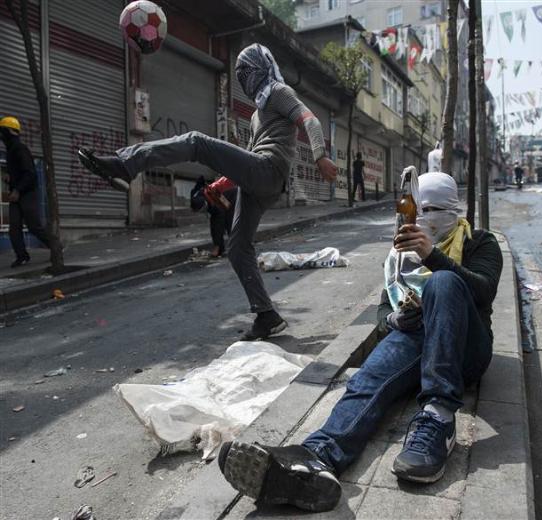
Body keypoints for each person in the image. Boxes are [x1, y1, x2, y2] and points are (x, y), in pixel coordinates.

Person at [218, 171, 503, 512]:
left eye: (431, 210)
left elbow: (484, 290)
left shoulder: (480, 242)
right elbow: (385, 310)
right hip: (418, 338)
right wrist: (395, 319)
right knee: (367, 380)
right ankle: (314, 461)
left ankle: (438, 419)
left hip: (465, 351)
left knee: (442, 282)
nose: (420, 219)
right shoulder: (400, 253)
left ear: (451, 209)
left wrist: (433, 258)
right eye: (414, 211)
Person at [77, 43, 337, 340]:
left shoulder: (280, 91)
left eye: (248, 71)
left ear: (264, 67)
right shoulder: (256, 115)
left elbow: (310, 119)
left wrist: (319, 155)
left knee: (195, 142)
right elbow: (247, 161)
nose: (245, 79)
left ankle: (125, 163)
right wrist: (218, 185)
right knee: (238, 248)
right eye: (240, 74)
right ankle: (267, 316)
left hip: (270, 170)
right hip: (259, 178)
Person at [0, 116, 51, 268]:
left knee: (33, 226)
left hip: (27, 193)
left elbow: (30, 173)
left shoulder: (19, 148)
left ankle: (55, 246)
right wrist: (10, 178)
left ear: (10, 131)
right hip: (18, 194)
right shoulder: (11, 150)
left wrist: (17, 189)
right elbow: (21, 172)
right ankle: (22, 256)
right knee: (14, 228)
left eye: (2, 132)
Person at [190, 176, 237, 257]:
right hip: (227, 191)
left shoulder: (214, 197)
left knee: (229, 222)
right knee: (218, 221)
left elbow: (219, 223)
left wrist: (217, 246)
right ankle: (224, 248)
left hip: (233, 192)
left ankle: (235, 247)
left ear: (205, 205)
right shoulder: (198, 195)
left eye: (202, 211)